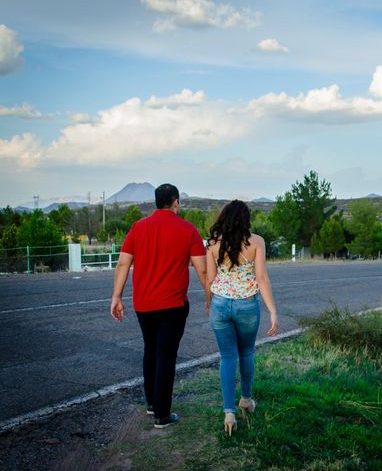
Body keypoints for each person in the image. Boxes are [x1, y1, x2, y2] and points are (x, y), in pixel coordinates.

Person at [110, 184, 207, 429]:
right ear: (175, 202)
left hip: (143, 304)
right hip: (172, 305)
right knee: (166, 355)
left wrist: (116, 296)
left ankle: (152, 403)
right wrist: (209, 295)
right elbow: (202, 268)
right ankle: (162, 415)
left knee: (150, 350)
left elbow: (123, 264)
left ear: (156, 202)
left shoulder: (138, 227)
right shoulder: (188, 229)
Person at [206, 200, 278, 436]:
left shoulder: (214, 244)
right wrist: (272, 310)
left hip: (220, 305)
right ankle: (245, 399)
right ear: (246, 219)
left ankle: (229, 412)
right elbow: (262, 278)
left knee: (227, 357)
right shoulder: (256, 242)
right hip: (246, 305)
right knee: (246, 352)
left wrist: (210, 301)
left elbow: (210, 279)